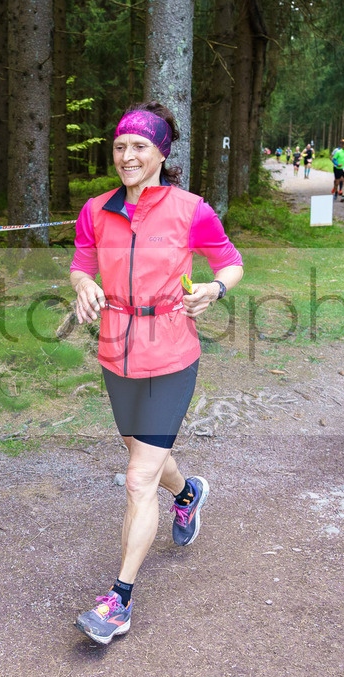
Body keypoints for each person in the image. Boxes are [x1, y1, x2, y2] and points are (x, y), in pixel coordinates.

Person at [70, 103, 244, 645]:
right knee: (143, 454)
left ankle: (118, 601)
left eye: (140, 146)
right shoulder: (96, 209)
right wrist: (83, 287)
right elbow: (81, 260)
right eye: (120, 146)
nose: (127, 156)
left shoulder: (192, 209)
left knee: (138, 477)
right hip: (116, 353)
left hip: (171, 353)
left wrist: (215, 290)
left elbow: (230, 262)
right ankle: (188, 493)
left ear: (162, 153)